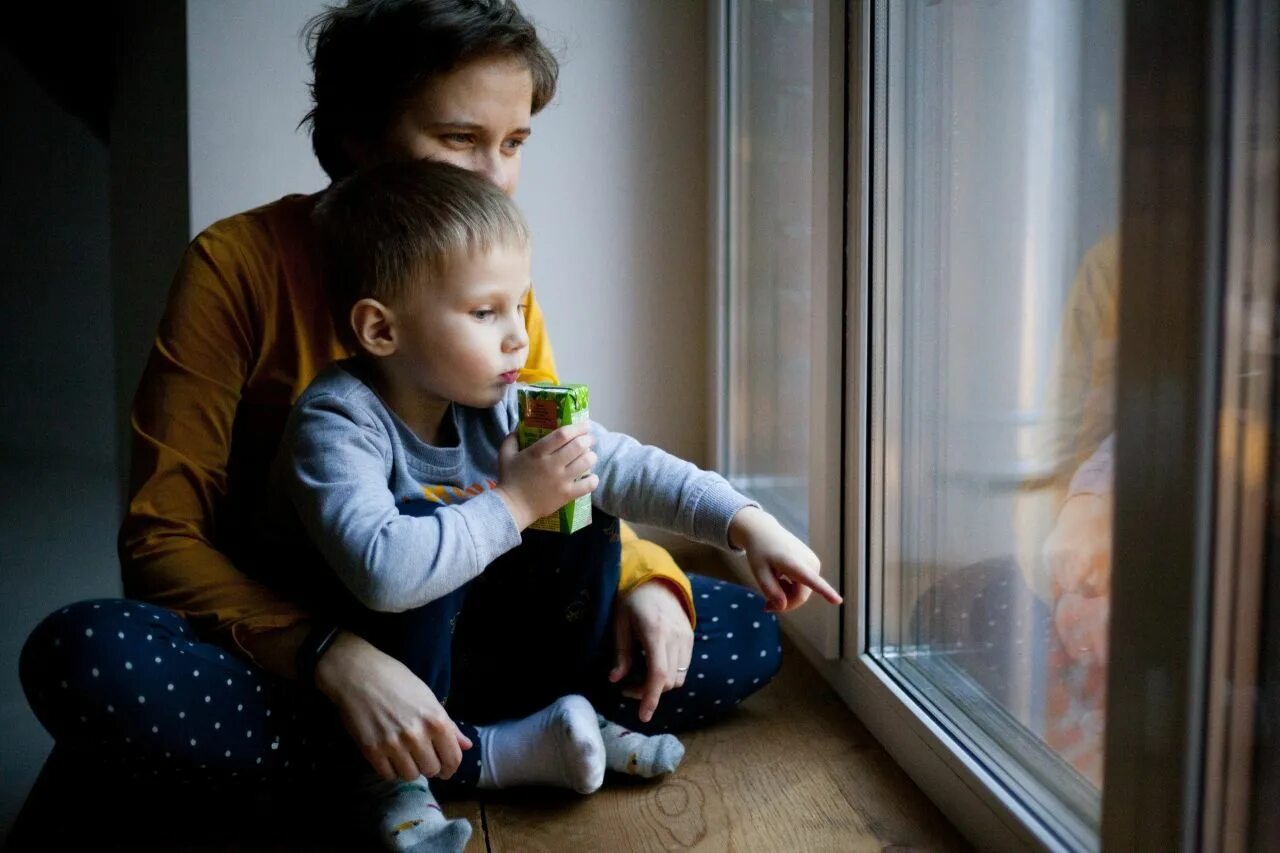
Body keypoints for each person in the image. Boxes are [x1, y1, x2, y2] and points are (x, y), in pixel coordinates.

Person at [19, 0, 808, 823]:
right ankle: (460, 745)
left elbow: (559, 466)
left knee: (733, 628)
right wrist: (331, 656)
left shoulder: (490, 287)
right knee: (86, 657)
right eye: (460, 139)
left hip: (467, 606)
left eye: (513, 145)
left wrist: (646, 578)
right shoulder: (236, 268)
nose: (493, 179)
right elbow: (162, 539)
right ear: (358, 136)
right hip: (299, 628)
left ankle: (420, 749)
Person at [272, 158, 840, 849]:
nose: (517, 334)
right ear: (381, 330)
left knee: (590, 494)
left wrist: (747, 524)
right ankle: (406, 772)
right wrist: (513, 500)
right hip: (387, 682)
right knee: (430, 530)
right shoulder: (337, 422)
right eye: (485, 312)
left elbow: (626, 463)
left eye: (519, 304)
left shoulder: (503, 404)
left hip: (486, 655)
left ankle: (563, 717)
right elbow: (385, 572)